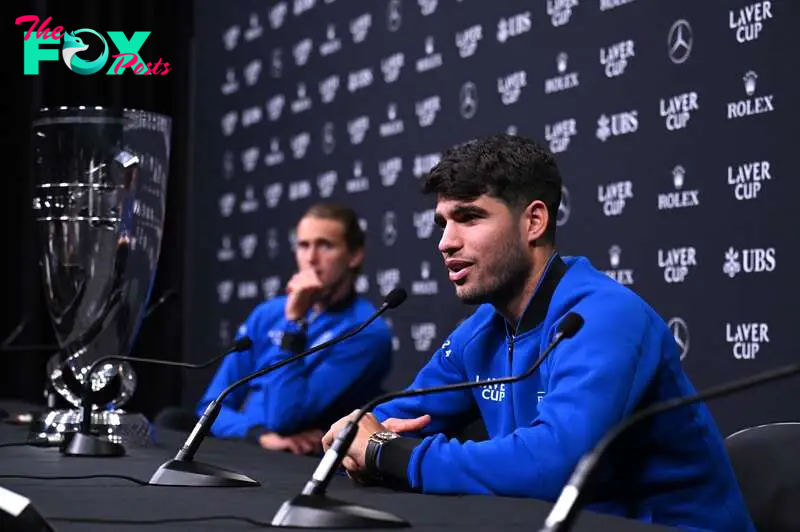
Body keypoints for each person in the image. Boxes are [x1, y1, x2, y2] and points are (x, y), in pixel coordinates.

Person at [322, 134, 755, 531]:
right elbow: (393, 421)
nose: (445, 242)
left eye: (469, 217)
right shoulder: (483, 330)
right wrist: (362, 434)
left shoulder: (605, 316)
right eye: (442, 223)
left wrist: (392, 454)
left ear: (534, 221)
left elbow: (557, 463)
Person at [195, 202, 393, 455]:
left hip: (301, 461)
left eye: (325, 245)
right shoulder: (267, 314)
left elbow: (285, 419)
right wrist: (258, 434)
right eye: (303, 245)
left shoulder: (366, 331)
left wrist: (295, 324)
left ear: (354, 255)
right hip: (249, 445)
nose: (311, 258)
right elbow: (210, 406)